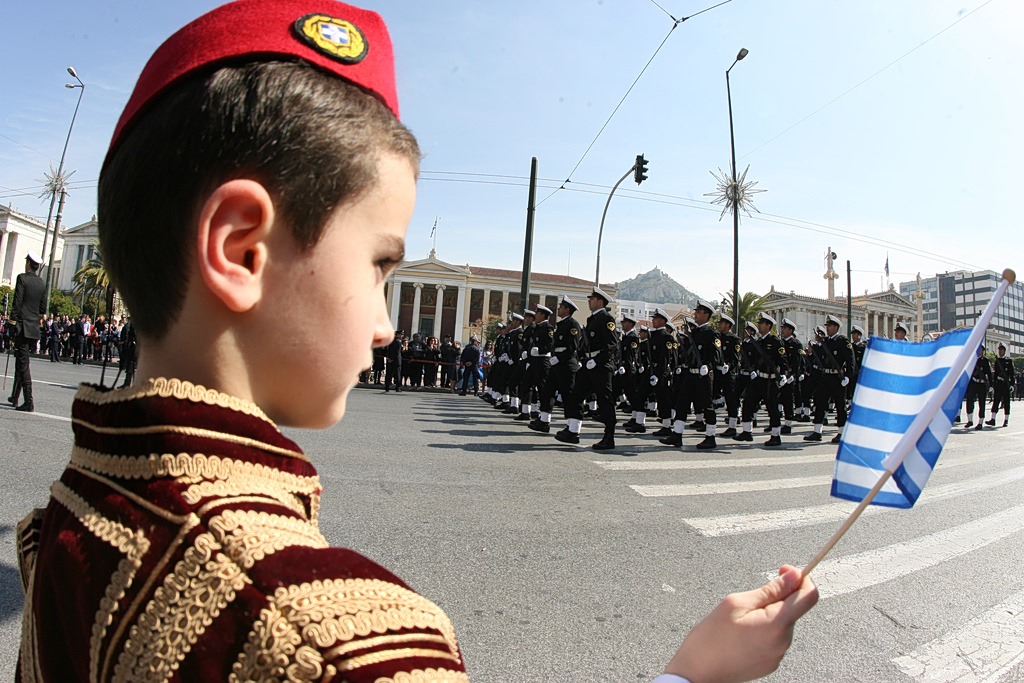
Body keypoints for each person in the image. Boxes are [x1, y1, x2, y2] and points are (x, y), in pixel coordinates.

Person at [15, 2, 817, 681]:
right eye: (378, 264)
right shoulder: (342, 641)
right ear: (241, 249)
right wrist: (690, 673)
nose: (387, 324)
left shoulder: (60, 521)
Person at [556, 287, 619, 450]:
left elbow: (612, 345)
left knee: (605, 400)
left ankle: (609, 437)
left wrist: (597, 360)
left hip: (601, 365)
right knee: (575, 395)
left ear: (600, 302)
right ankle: (573, 431)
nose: (589, 301)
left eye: (592, 299)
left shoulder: (606, 319)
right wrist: (583, 359)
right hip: (589, 364)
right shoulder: (592, 319)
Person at [7, 250, 46, 411]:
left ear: (28, 263)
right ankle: (15, 396)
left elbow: (17, 303)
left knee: (23, 364)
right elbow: (43, 308)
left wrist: (12, 322)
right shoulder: (42, 283)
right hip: (33, 328)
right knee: (21, 360)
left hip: (22, 326)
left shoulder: (22, 278)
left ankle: (28, 400)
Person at [988, 342, 1014, 426]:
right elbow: (995, 374)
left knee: (1006, 402)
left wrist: (1012, 384)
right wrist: (993, 385)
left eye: (1001, 350)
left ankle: (1006, 420)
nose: (1000, 351)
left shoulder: (1008, 361)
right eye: (999, 350)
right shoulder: (997, 361)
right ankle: (993, 419)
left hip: (1006, 384)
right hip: (998, 384)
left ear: (1004, 351)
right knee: (996, 401)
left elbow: (1012, 374)